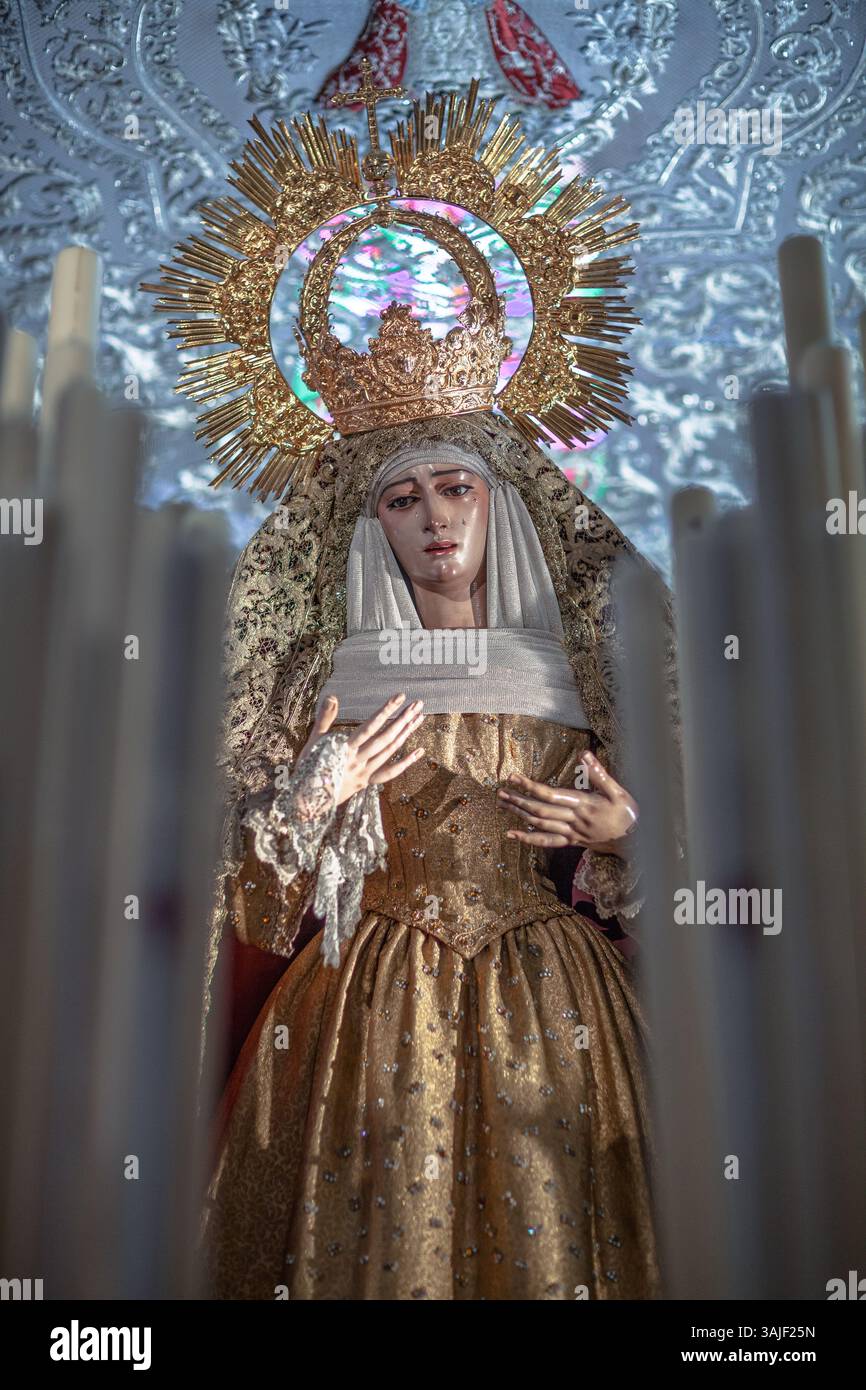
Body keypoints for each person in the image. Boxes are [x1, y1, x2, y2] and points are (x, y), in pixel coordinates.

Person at [198, 410, 679, 1299]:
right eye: (402, 500)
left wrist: (625, 835)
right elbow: (250, 892)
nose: (434, 519)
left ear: (498, 505)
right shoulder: (333, 675)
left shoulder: (574, 671)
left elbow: (701, 849)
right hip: (372, 988)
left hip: (553, 992)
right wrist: (311, 799)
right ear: (373, 525)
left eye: (456, 489)